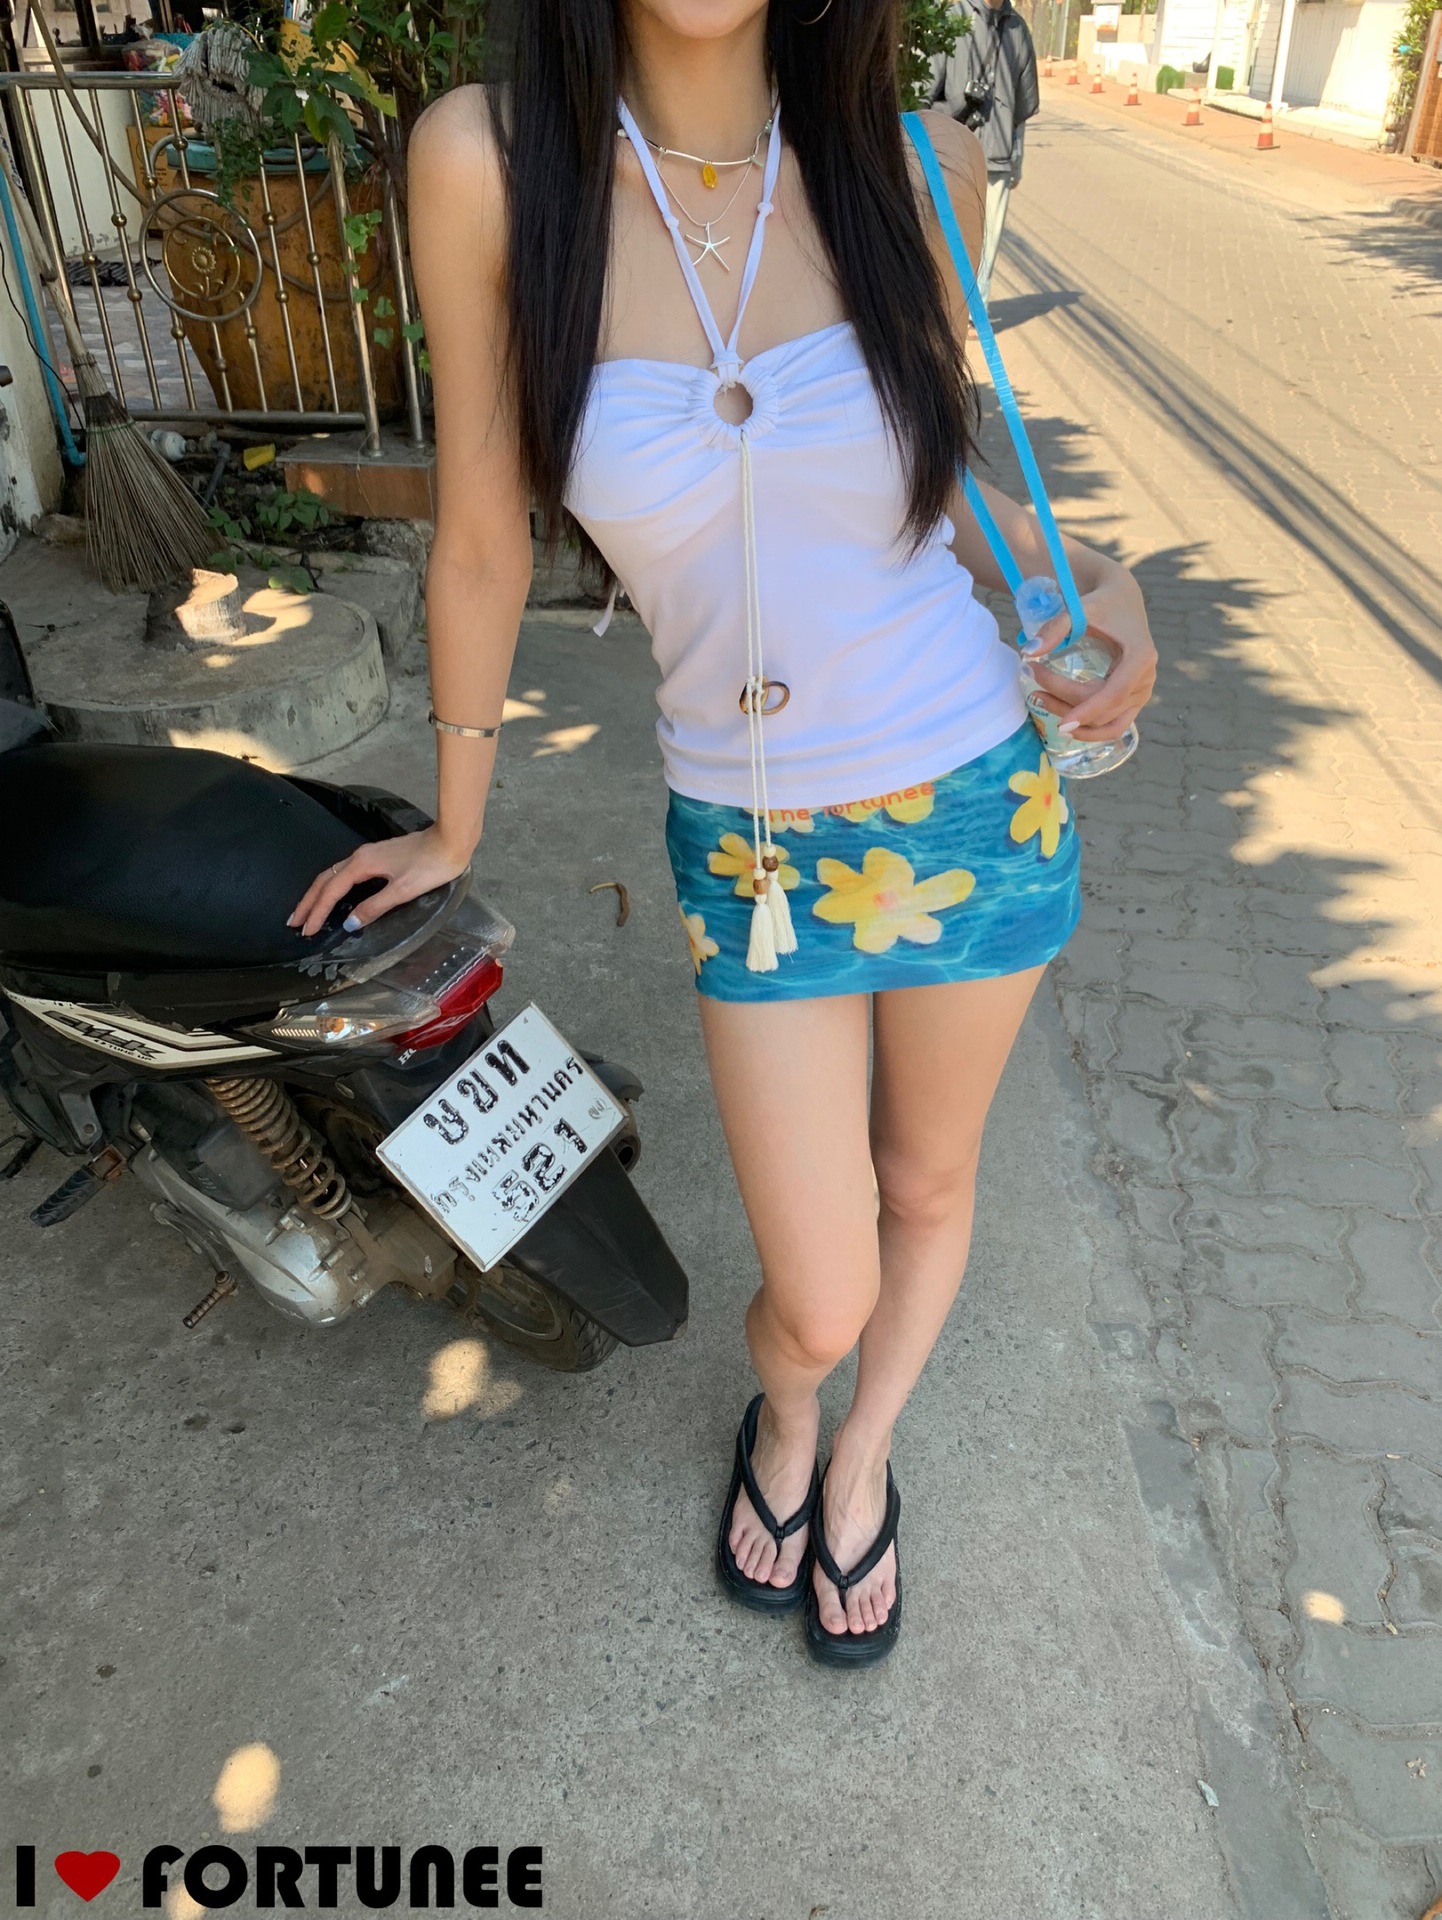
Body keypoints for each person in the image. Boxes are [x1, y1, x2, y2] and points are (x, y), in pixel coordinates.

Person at [291, 0, 1155, 1668]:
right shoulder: (492, 165)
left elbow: (930, 482)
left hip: (977, 792)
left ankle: (861, 1453)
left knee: (929, 1181)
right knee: (816, 1293)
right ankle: (790, 1408)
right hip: (751, 850)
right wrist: (454, 823)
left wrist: (1100, 599)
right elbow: (478, 540)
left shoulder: (917, 164)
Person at [931, 0, 1039, 305]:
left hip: (998, 158)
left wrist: (1017, 159)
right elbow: (925, 93)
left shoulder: (1018, 30)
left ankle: (975, 313)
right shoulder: (952, 18)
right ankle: (944, 308)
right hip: (949, 157)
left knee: (987, 245)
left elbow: (1023, 107)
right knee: (944, 240)